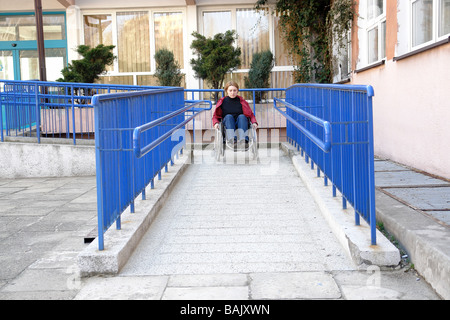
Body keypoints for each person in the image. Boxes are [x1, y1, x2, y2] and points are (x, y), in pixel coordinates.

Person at [212, 81, 258, 149]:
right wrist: (215, 123)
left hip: (241, 124)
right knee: (228, 116)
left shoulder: (242, 101)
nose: (232, 92)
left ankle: (243, 141)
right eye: (230, 90)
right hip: (228, 124)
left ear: (237, 91)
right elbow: (215, 116)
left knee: (242, 116)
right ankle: (232, 140)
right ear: (226, 91)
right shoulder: (222, 102)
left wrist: (254, 122)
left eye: (234, 90)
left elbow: (250, 114)